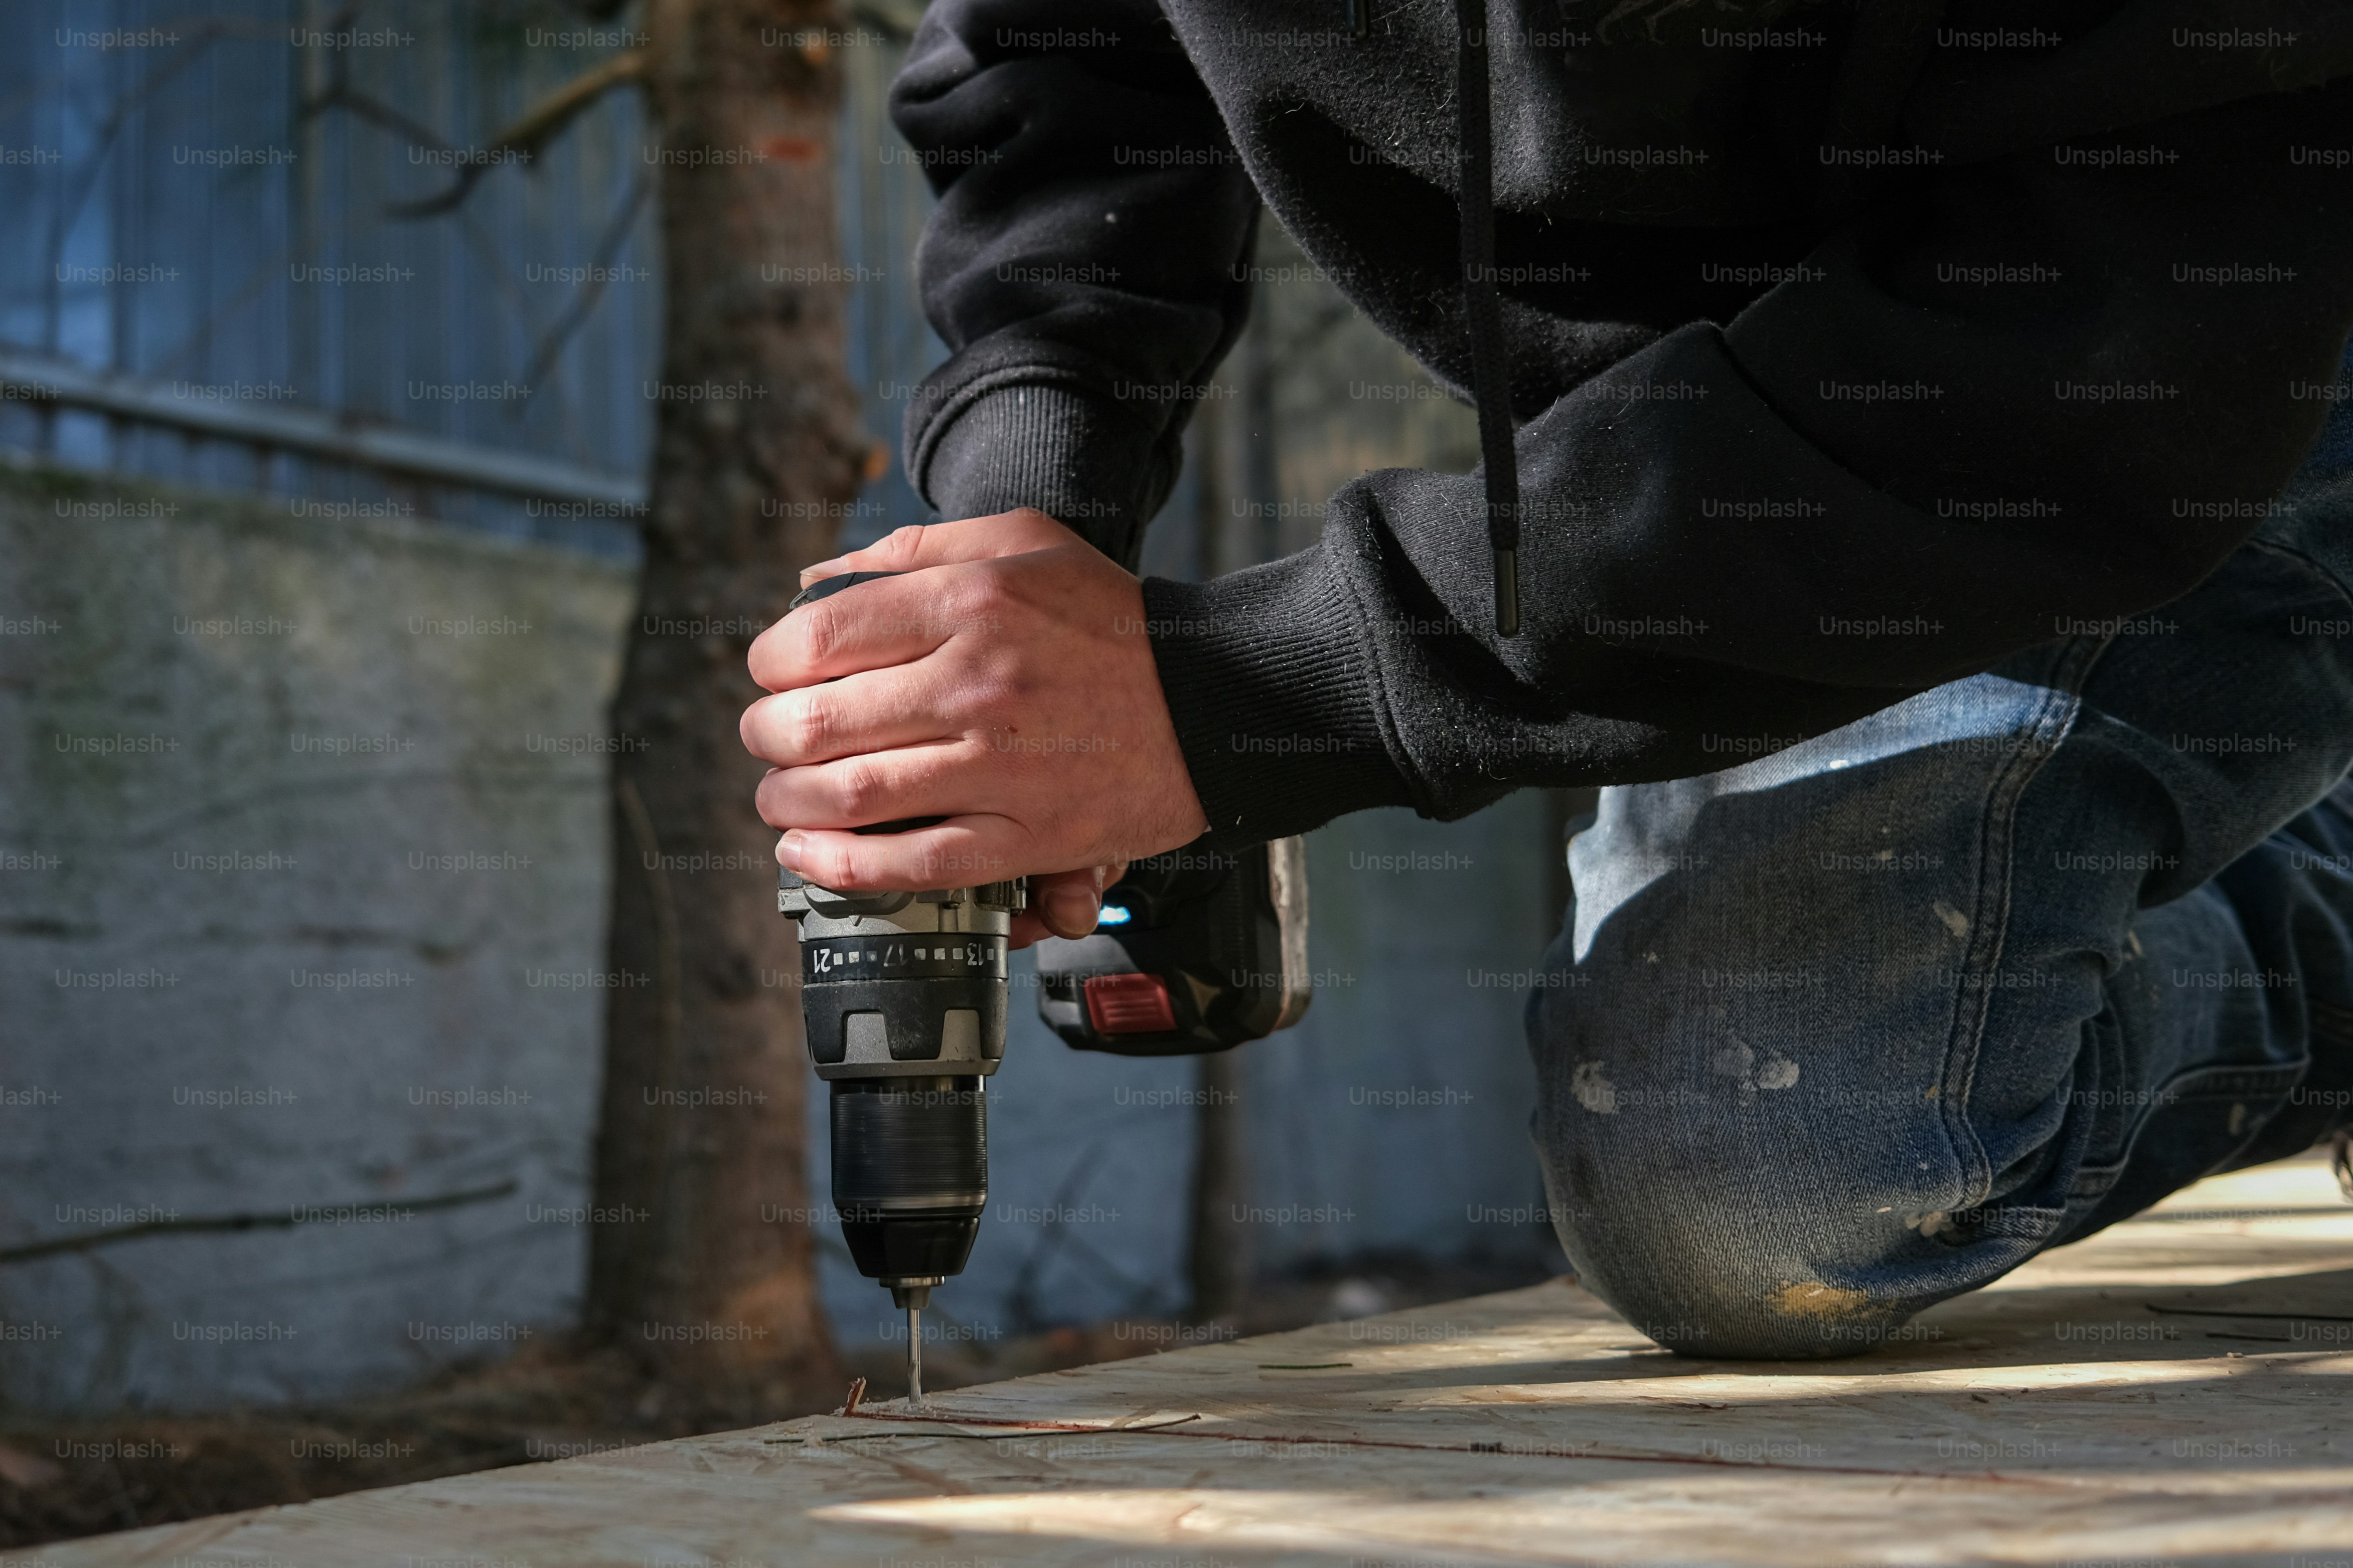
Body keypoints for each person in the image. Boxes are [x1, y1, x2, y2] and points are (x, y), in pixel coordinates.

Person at [738, 0, 2353, 1356]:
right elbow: (1070, 62)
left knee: (1765, 1183)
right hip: (1768, 403)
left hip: (2203, 344)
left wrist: (1248, 691)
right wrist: (1032, 518)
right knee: (1739, 1195)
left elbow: (2103, 344)